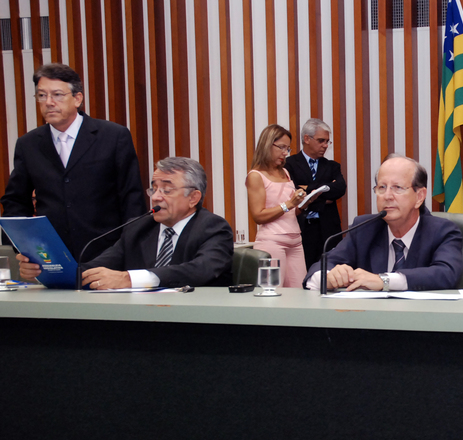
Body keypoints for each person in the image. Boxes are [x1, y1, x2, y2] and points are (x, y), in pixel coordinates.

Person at [2, 63, 146, 273]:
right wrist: (25, 248)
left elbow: (132, 200)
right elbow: (15, 201)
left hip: (108, 256)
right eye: (42, 95)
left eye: (57, 95)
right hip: (51, 259)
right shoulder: (28, 144)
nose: (48, 102)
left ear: (77, 99)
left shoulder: (113, 136)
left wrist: (129, 254)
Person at [304, 154, 462, 291]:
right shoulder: (364, 228)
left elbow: (446, 273)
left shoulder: (442, 231)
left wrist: (384, 281)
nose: (387, 196)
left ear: (419, 196)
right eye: (382, 187)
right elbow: (319, 269)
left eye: (397, 187)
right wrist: (329, 278)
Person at [75, 157, 232, 289]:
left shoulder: (213, 228)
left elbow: (200, 270)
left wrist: (129, 279)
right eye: (154, 189)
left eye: (167, 190)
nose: (156, 197)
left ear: (193, 198)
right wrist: (66, 274)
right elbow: (98, 266)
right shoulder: (138, 227)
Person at [246, 124, 307, 287]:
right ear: (268, 144)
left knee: (300, 292)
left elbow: (290, 212)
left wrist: (302, 204)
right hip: (272, 242)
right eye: (281, 147)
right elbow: (258, 216)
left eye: (288, 149)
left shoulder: (284, 172)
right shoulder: (256, 176)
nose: (285, 153)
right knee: (272, 292)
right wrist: (289, 204)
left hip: (295, 240)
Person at [284, 118, 347, 268]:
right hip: (301, 229)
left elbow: (339, 189)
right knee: (302, 272)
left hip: (328, 230)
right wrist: (324, 197)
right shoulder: (289, 164)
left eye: (327, 141)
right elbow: (293, 193)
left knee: (329, 272)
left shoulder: (332, 166)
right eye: (321, 141)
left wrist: (308, 190)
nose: (325, 145)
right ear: (307, 139)